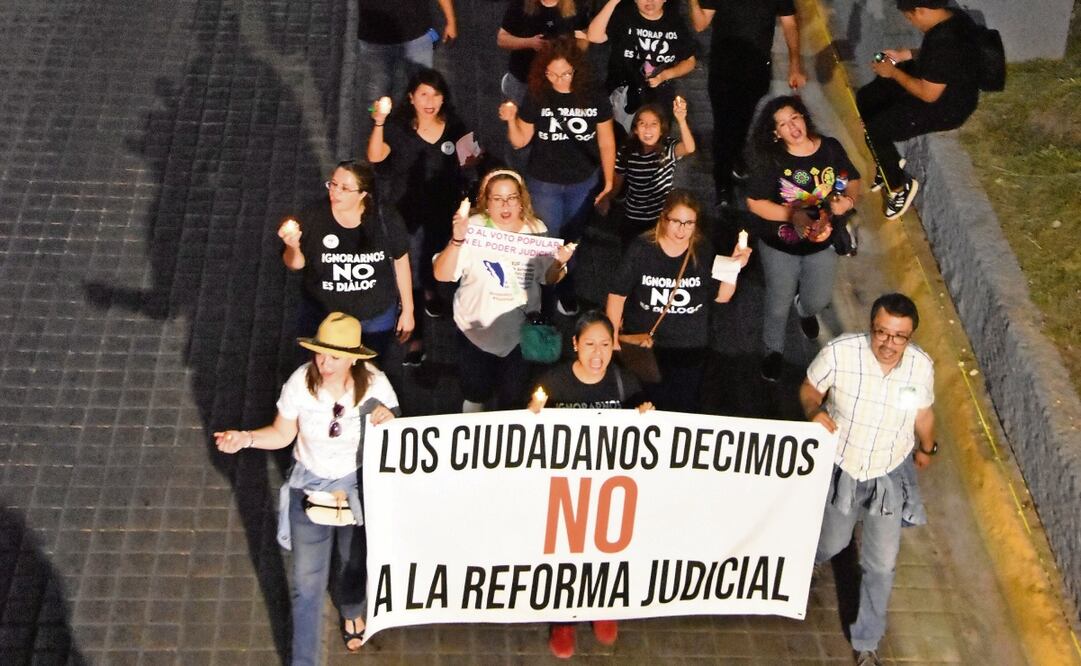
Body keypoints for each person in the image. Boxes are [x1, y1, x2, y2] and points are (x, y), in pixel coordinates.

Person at [214, 312, 400, 664]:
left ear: (353, 359)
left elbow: (396, 432)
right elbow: (283, 433)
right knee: (306, 584)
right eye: (320, 353)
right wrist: (246, 438)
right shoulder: (300, 382)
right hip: (310, 486)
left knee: (353, 563)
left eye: (335, 357)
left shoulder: (375, 385)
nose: (324, 363)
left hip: (357, 487)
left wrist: (390, 419)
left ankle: (352, 608)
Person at [799, 293, 937, 666]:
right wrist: (814, 411)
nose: (889, 344)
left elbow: (923, 414)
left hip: (888, 476)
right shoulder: (841, 353)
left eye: (899, 337)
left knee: (881, 563)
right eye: (882, 332)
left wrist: (927, 448)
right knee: (832, 541)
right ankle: (803, 564)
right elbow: (810, 390)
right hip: (845, 467)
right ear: (871, 327)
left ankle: (867, 642)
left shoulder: (921, 368)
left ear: (910, 337)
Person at [527, 309, 653, 658]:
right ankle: (563, 618)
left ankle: (602, 605)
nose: (597, 354)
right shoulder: (553, 382)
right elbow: (526, 432)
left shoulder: (625, 382)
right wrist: (531, 413)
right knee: (562, 555)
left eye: (604, 344)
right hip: (562, 489)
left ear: (614, 346)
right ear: (575, 345)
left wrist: (645, 416)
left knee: (604, 553)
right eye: (589, 344)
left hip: (607, 491)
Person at [433, 169, 576, 412]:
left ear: (522, 201)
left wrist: (559, 263)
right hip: (475, 332)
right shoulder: (473, 228)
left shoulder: (536, 229)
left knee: (513, 399)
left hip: (519, 337)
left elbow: (549, 279)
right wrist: (457, 240)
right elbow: (442, 274)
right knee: (475, 393)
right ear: (486, 203)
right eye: (497, 199)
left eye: (512, 198)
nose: (505, 205)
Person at [745, 96, 861, 383]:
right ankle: (773, 350)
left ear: (804, 117)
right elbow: (755, 203)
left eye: (794, 118)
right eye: (783, 124)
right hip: (779, 245)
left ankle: (805, 308)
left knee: (818, 299)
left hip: (822, 241)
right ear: (775, 133)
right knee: (777, 302)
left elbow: (851, 178)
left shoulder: (830, 148)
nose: (792, 127)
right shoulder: (772, 158)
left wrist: (847, 200)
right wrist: (790, 215)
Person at [499, 37, 616, 315]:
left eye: (565, 74)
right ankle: (545, 294)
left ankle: (565, 284)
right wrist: (511, 120)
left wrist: (609, 181)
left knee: (573, 238)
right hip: (544, 182)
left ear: (577, 69)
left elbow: (606, 141)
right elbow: (520, 141)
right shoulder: (538, 93)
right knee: (547, 241)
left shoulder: (593, 93)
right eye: (552, 74)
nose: (559, 80)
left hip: (582, 181)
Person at [606, 189, 751, 412]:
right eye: (676, 221)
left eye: (689, 223)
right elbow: (617, 295)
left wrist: (734, 268)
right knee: (643, 404)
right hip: (645, 345)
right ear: (664, 218)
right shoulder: (642, 249)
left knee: (681, 407)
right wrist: (613, 340)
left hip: (689, 348)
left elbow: (722, 296)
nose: (682, 230)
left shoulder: (702, 250)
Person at [368, 68, 475, 363]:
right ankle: (416, 337)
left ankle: (430, 291)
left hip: (443, 210)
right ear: (411, 97)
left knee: (435, 257)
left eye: (436, 94)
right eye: (424, 94)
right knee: (411, 268)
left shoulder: (456, 126)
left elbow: (473, 162)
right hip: (407, 212)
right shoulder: (398, 126)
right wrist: (378, 122)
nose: (430, 101)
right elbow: (375, 156)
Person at [857, 0, 982, 220]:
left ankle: (898, 187)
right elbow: (935, 58)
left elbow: (928, 94)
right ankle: (886, 164)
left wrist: (893, 73)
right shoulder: (953, 18)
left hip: (947, 107)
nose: (911, 23)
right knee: (867, 97)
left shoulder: (946, 42)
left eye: (910, 17)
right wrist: (904, 55)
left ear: (921, 11)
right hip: (942, 84)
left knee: (875, 131)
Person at [278, 160, 414, 361]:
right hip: (323, 315)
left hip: (373, 318)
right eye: (333, 184)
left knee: (370, 369)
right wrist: (293, 246)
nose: (335, 192)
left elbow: (401, 260)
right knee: (319, 368)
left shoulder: (385, 218)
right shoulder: (314, 216)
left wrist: (408, 310)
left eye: (344, 188)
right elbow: (296, 264)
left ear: (363, 194)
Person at [687, 0, 806, 206]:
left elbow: (789, 24)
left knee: (744, 119)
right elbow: (700, 23)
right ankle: (722, 181)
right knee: (723, 127)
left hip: (756, 71)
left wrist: (795, 64)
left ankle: (736, 155)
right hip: (723, 71)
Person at [587, 0, 697, 130]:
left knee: (656, 142)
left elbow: (690, 61)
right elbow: (594, 36)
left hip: (658, 97)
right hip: (623, 94)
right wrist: (613, 2)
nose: (649, 2)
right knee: (623, 139)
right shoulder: (624, 16)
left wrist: (665, 75)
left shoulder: (674, 22)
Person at [614, 97, 696, 245]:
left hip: (660, 216)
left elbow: (689, 148)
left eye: (653, 124)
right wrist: (607, 197)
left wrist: (681, 120)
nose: (648, 129)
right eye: (642, 124)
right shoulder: (626, 151)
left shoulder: (668, 148)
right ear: (635, 129)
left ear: (661, 129)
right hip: (633, 215)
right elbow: (617, 179)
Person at [357, 0, 457, 105]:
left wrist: (451, 20)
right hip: (374, 39)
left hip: (417, 35)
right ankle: (376, 120)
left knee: (426, 93)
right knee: (375, 100)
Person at [497, 0, 590, 104]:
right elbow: (502, 39)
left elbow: (585, 38)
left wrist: (566, 48)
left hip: (562, 81)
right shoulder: (520, 4)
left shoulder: (576, 5)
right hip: (524, 79)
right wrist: (530, 43)